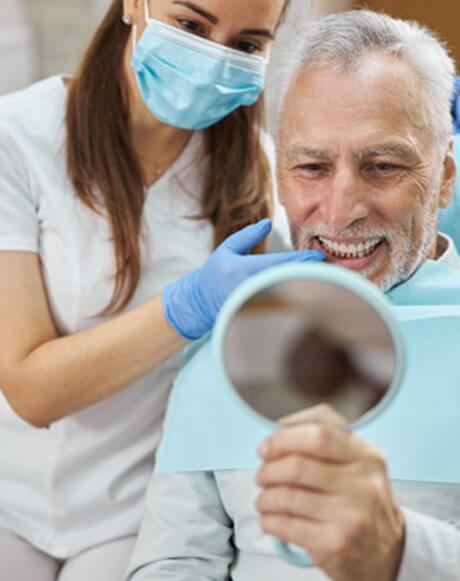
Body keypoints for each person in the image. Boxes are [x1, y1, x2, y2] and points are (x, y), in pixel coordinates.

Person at [125, 10, 460, 581]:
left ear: (445, 177)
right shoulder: (227, 341)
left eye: (383, 166)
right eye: (311, 166)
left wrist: (403, 552)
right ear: (279, 172)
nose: (339, 210)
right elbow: (174, 558)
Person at [0, 0, 328, 579]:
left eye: (247, 45)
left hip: (133, 509)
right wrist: (188, 306)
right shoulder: (18, 138)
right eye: (191, 25)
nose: (213, 57)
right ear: (133, 5)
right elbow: (30, 390)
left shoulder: (260, 177)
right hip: (9, 495)